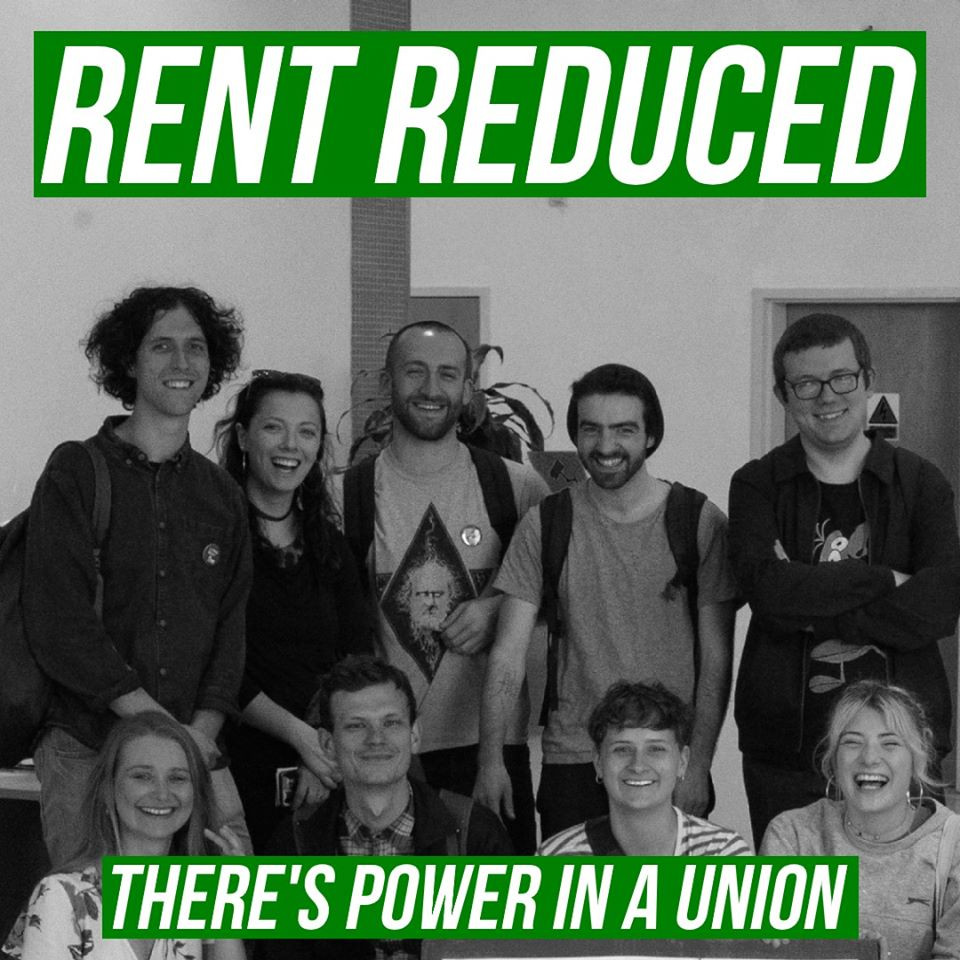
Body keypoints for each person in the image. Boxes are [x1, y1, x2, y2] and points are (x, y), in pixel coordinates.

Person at [23, 285, 253, 864]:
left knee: (218, 908)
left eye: (196, 347)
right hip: (89, 748)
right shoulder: (76, 471)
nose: (182, 362)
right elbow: (60, 623)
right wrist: (169, 732)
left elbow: (230, 633)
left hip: (191, 755)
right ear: (128, 360)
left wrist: (196, 737)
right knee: (96, 913)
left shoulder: (221, 494)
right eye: (161, 346)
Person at [478, 363, 737, 840]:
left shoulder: (698, 521)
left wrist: (698, 763)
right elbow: (507, 655)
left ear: (651, 436)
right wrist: (490, 760)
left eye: (624, 430)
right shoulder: (547, 523)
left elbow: (717, 658)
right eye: (591, 429)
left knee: (668, 891)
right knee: (572, 889)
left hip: (666, 753)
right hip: (574, 756)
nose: (605, 445)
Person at [730, 313, 960, 847]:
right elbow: (768, 594)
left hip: (904, 746)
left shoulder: (921, 483)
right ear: (783, 395)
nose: (827, 396)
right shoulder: (758, 485)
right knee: (796, 898)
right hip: (786, 750)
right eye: (806, 384)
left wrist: (807, 599)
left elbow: (939, 605)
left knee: (904, 895)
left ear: (868, 380)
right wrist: (886, 579)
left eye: (842, 378)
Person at [341, 321, 548, 853]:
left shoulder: (515, 486)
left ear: (468, 389)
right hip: (385, 748)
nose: (431, 388)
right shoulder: (348, 494)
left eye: (448, 374)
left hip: (492, 749)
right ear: (387, 383)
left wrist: (496, 607)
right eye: (415, 372)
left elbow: (559, 589)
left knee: (503, 904)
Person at [259, 655, 512, 960]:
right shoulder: (294, 843)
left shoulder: (475, 833)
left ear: (414, 735)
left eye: (391, 723)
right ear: (327, 744)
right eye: (356, 726)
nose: (376, 739)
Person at [214, 370, 372, 851]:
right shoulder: (213, 539)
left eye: (307, 432)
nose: (291, 445)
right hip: (232, 764)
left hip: (324, 765)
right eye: (273, 428)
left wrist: (321, 744)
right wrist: (301, 736)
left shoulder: (330, 546)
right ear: (243, 437)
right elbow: (217, 665)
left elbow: (355, 659)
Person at [2, 712, 246, 959]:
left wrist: (229, 892)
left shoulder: (197, 892)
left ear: (196, 793)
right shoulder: (60, 894)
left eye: (177, 778)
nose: (162, 793)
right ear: (108, 789)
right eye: (142, 776)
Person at [761, 680, 960, 960]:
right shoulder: (792, 834)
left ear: (919, 754)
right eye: (852, 742)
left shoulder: (953, 845)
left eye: (890, 743)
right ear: (833, 757)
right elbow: (772, 951)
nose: (869, 758)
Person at [540, 680, 749, 855]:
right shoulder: (557, 857)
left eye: (656, 749)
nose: (638, 765)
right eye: (622, 749)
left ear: (683, 762)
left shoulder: (723, 851)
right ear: (598, 762)